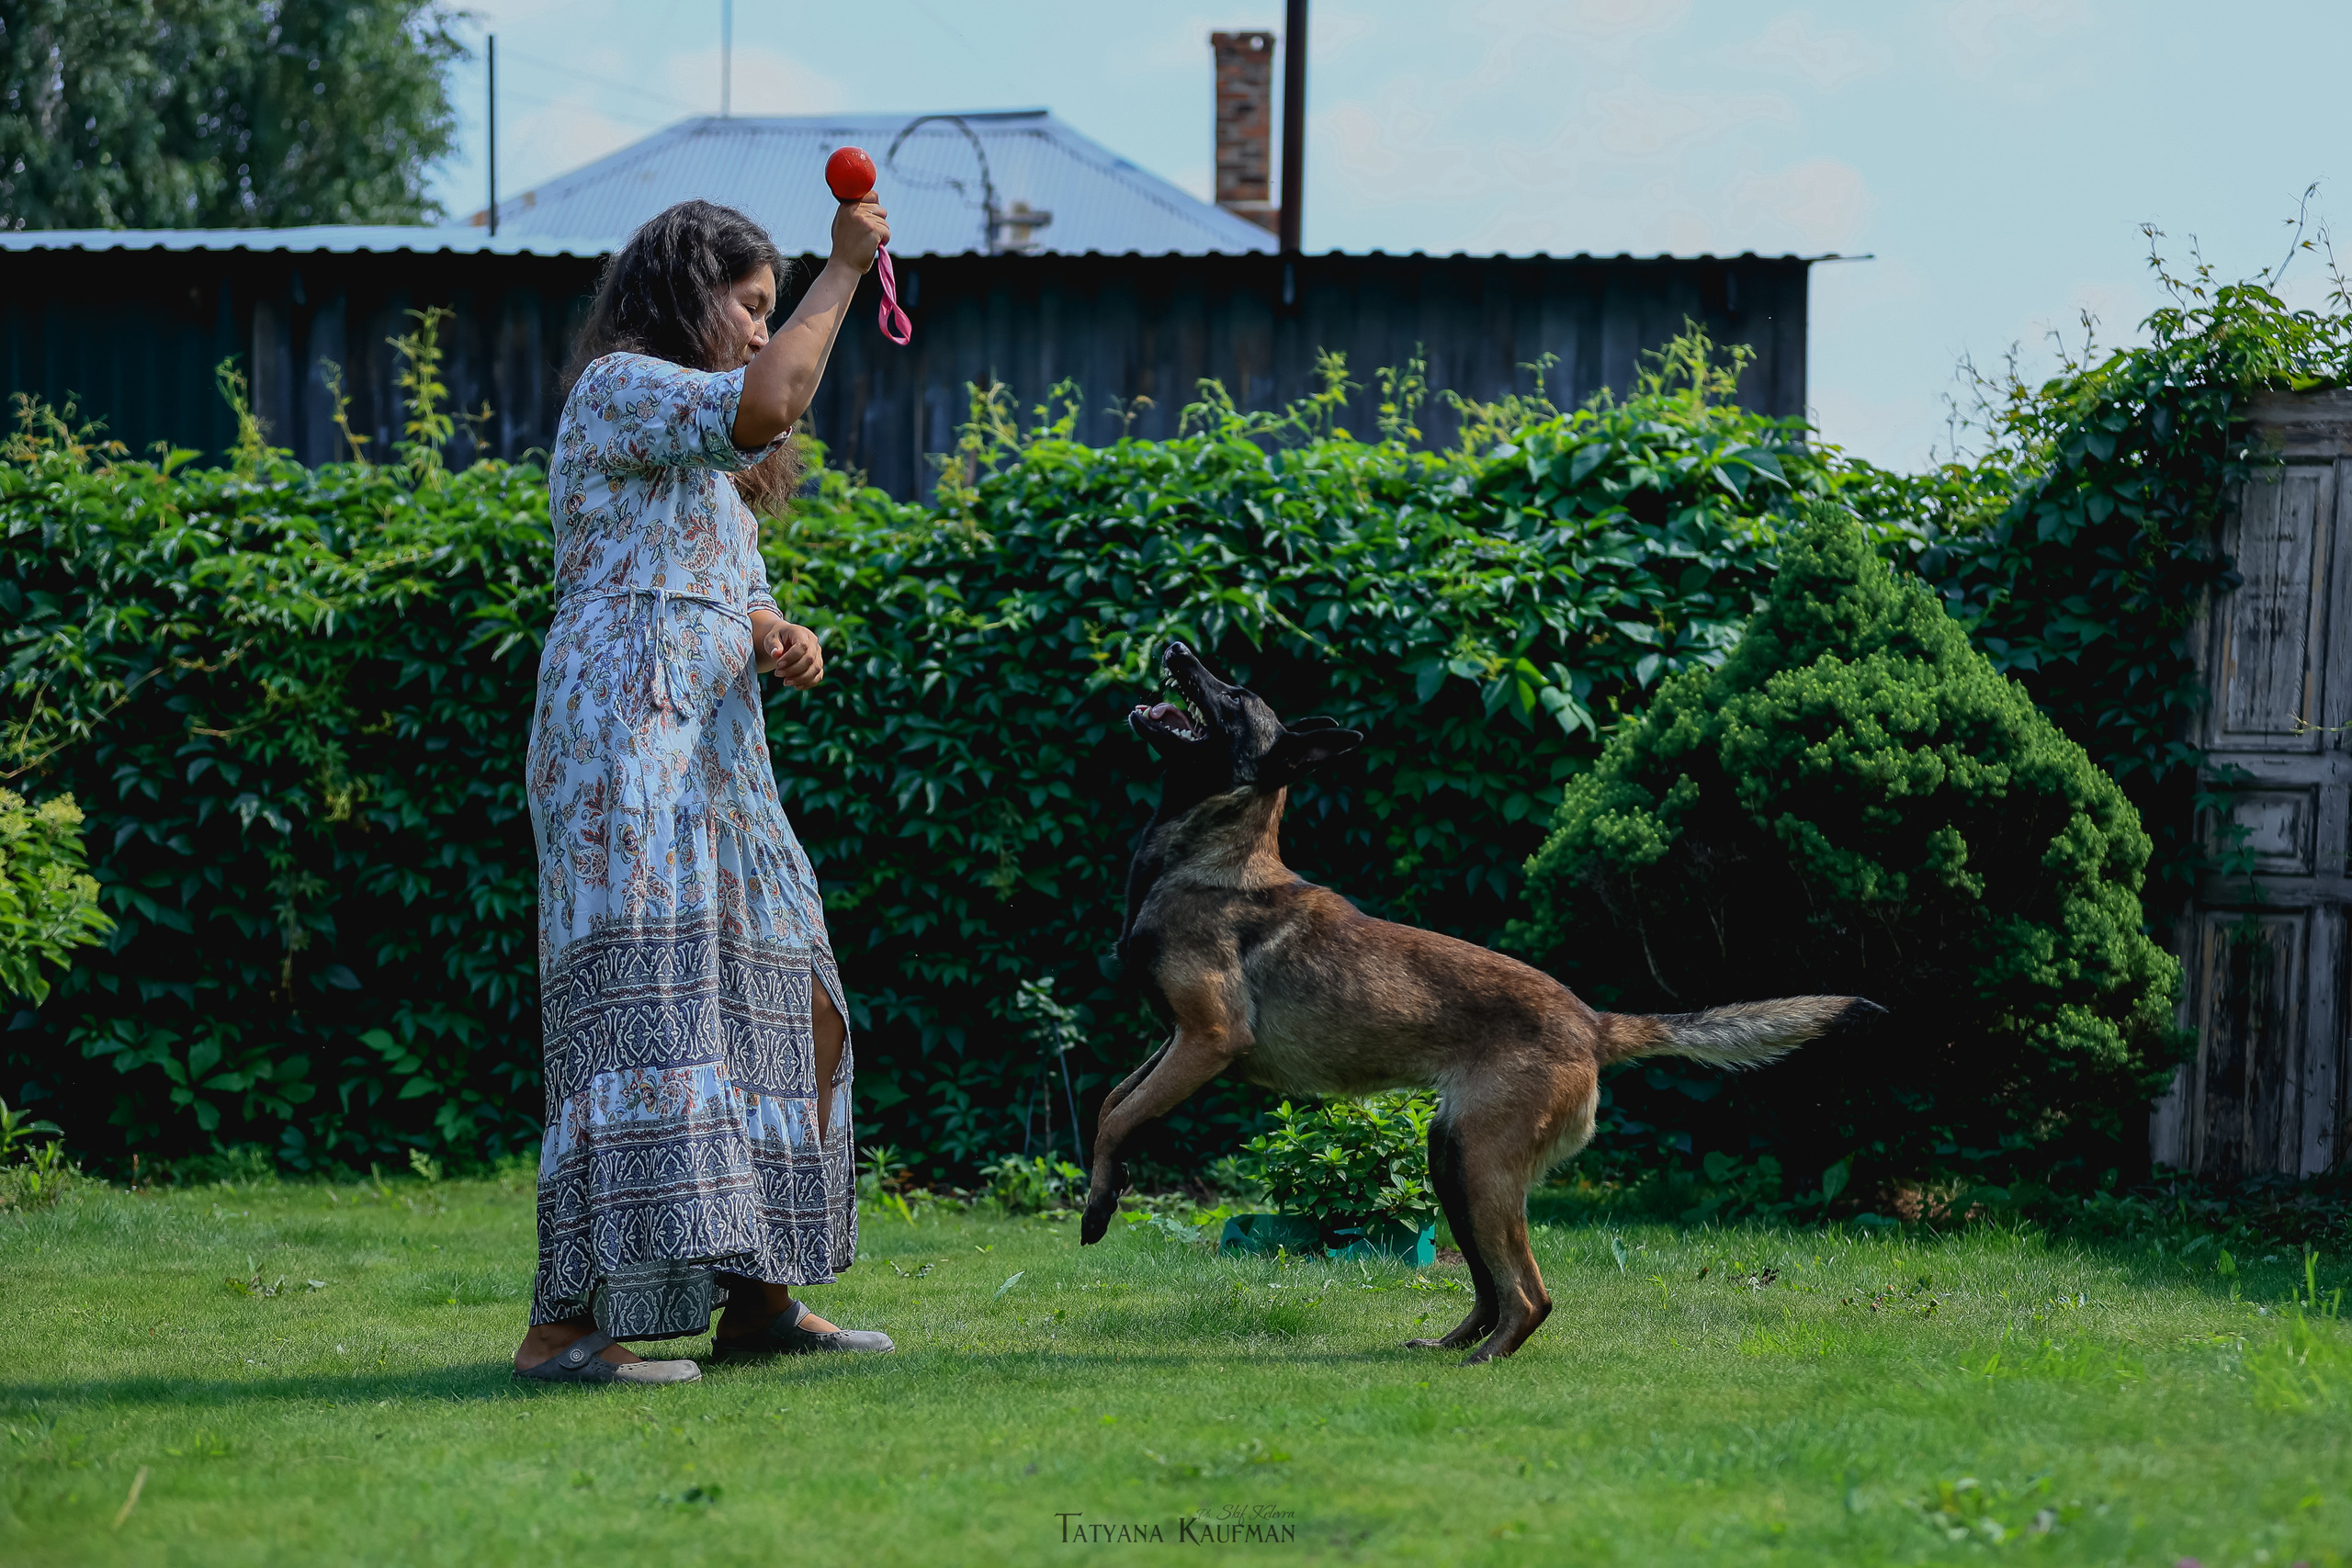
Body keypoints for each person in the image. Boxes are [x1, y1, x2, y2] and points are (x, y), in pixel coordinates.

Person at [513, 196, 895, 1384]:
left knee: (779, 988)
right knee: (645, 1009)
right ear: (688, 292)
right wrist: (844, 270)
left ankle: (757, 1298)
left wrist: (782, 633)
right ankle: (565, 1328)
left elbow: (731, 589)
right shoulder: (622, 387)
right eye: (751, 303)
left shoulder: (711, 485)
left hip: (721, 753)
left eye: (772, 310)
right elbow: (771, 402)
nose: (757, 329)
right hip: (624, 739)